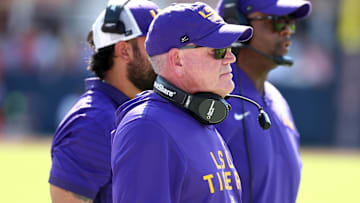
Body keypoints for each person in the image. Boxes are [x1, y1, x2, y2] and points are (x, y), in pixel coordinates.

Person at [111, 2, 253, 203]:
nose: (231, 58)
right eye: (219, 50)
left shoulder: (197, 118)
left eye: (230, 48)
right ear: (177, 60)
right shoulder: (147, 128)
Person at [48, 0, 160, 202]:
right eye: (153, 44)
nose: (164, 53)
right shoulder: (93, 122)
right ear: (124, 50)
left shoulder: (140, 109)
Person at [215, 0, 312, 203]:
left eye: (291, 22)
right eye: (276, 21)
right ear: (237, 23)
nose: (287, 31)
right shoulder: (211, 99)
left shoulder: (277, 99)